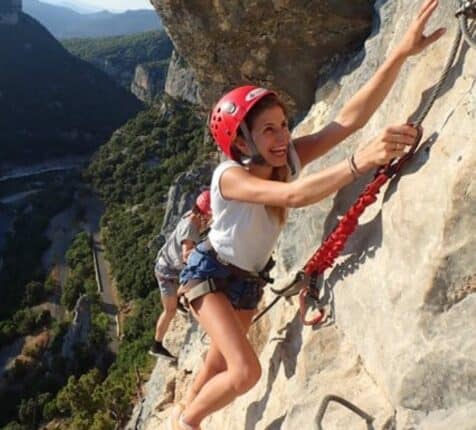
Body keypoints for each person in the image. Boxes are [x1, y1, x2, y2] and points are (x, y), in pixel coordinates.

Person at [170, 1, 445, 428]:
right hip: (209, 276)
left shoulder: (283, 160)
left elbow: (347, 121)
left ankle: (190, 415)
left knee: (217, 364)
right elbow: (295, 196)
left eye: (283, 125)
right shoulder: (229, 178)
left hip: (243, 282)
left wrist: (398, 55)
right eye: (268, 130)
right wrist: (359, 162)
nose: (283, 137)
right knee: (245, 372)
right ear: (242, 144)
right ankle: (188, 422)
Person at [149, 190, 213, 362]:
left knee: (180, 291)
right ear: (204, 213)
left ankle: (177, 300)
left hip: (170, 265)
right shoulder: (191, 228)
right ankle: (156, 345)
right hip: (166, 272)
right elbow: (186, 254)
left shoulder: (191, 214)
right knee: (169, 311)